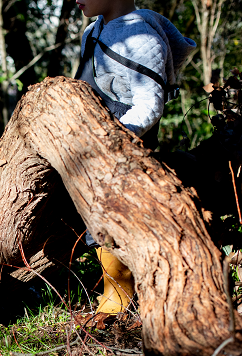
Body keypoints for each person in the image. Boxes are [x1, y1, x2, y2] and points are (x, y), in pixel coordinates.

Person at [74, 0, 196, 313]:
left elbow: (150, 105)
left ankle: (120, 294)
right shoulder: (92, 31)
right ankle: (108, 283)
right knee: (89, 213)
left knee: (113, 216)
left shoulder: (142, 39)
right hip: (91, 146)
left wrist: (114, 139)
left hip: (127, 147)